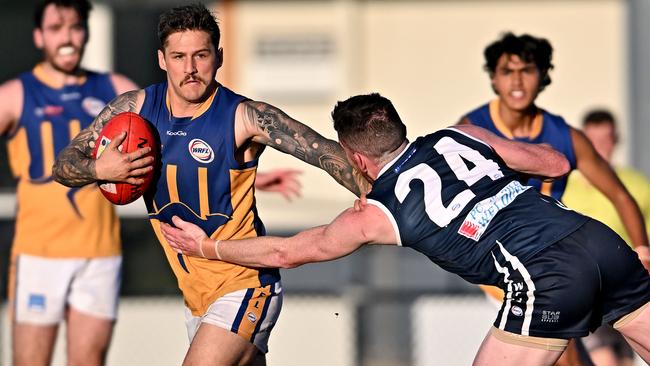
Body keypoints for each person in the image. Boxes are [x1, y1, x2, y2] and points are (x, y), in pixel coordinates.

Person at [160, 93, 650, 366]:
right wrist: (495, 182)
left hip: (542, 271)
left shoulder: (375, 211)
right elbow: (556, 160)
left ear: (355, 157)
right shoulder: (462, 136)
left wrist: (208, 245)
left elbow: (289, 253)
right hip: (600, 241)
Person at [52, 3, 366, 366]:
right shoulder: (134, 110)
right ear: (161, 59)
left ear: (218, 57)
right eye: (179, 56)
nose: (190, 68)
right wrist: (99, 169)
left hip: (245, 284)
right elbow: (64, 165)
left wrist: (380, 197)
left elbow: (321, 150)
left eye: (200, 55)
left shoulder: (244, 116)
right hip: (196, 295)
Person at [458, 33, 650, 366]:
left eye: (527, 70)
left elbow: (620, 194)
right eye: (507, 71)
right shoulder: (472, 129)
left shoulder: (565, 136)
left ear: (543, 75)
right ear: (493, 78)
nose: (517, 80)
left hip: (563, 259)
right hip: (506, 264)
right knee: (564, 353)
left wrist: (642, 248)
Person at [0, 1, 137, 365]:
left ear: (86, 34)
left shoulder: (115, 89)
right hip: (38, 254)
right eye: (56, 27)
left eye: (75, 27)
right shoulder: (16, 93)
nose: (67, 37)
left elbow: (170, 139)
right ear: (38, 36)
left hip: (99, 254)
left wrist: (245, 172)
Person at [563, 109, 650, 366]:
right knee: (604, 361)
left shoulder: (635, 186)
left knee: (624, 362)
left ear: (616, 140)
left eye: (606, 140)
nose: (601, 148)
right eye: (594, 141)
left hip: (630, 289)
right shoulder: (564, 185)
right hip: (588, 291)